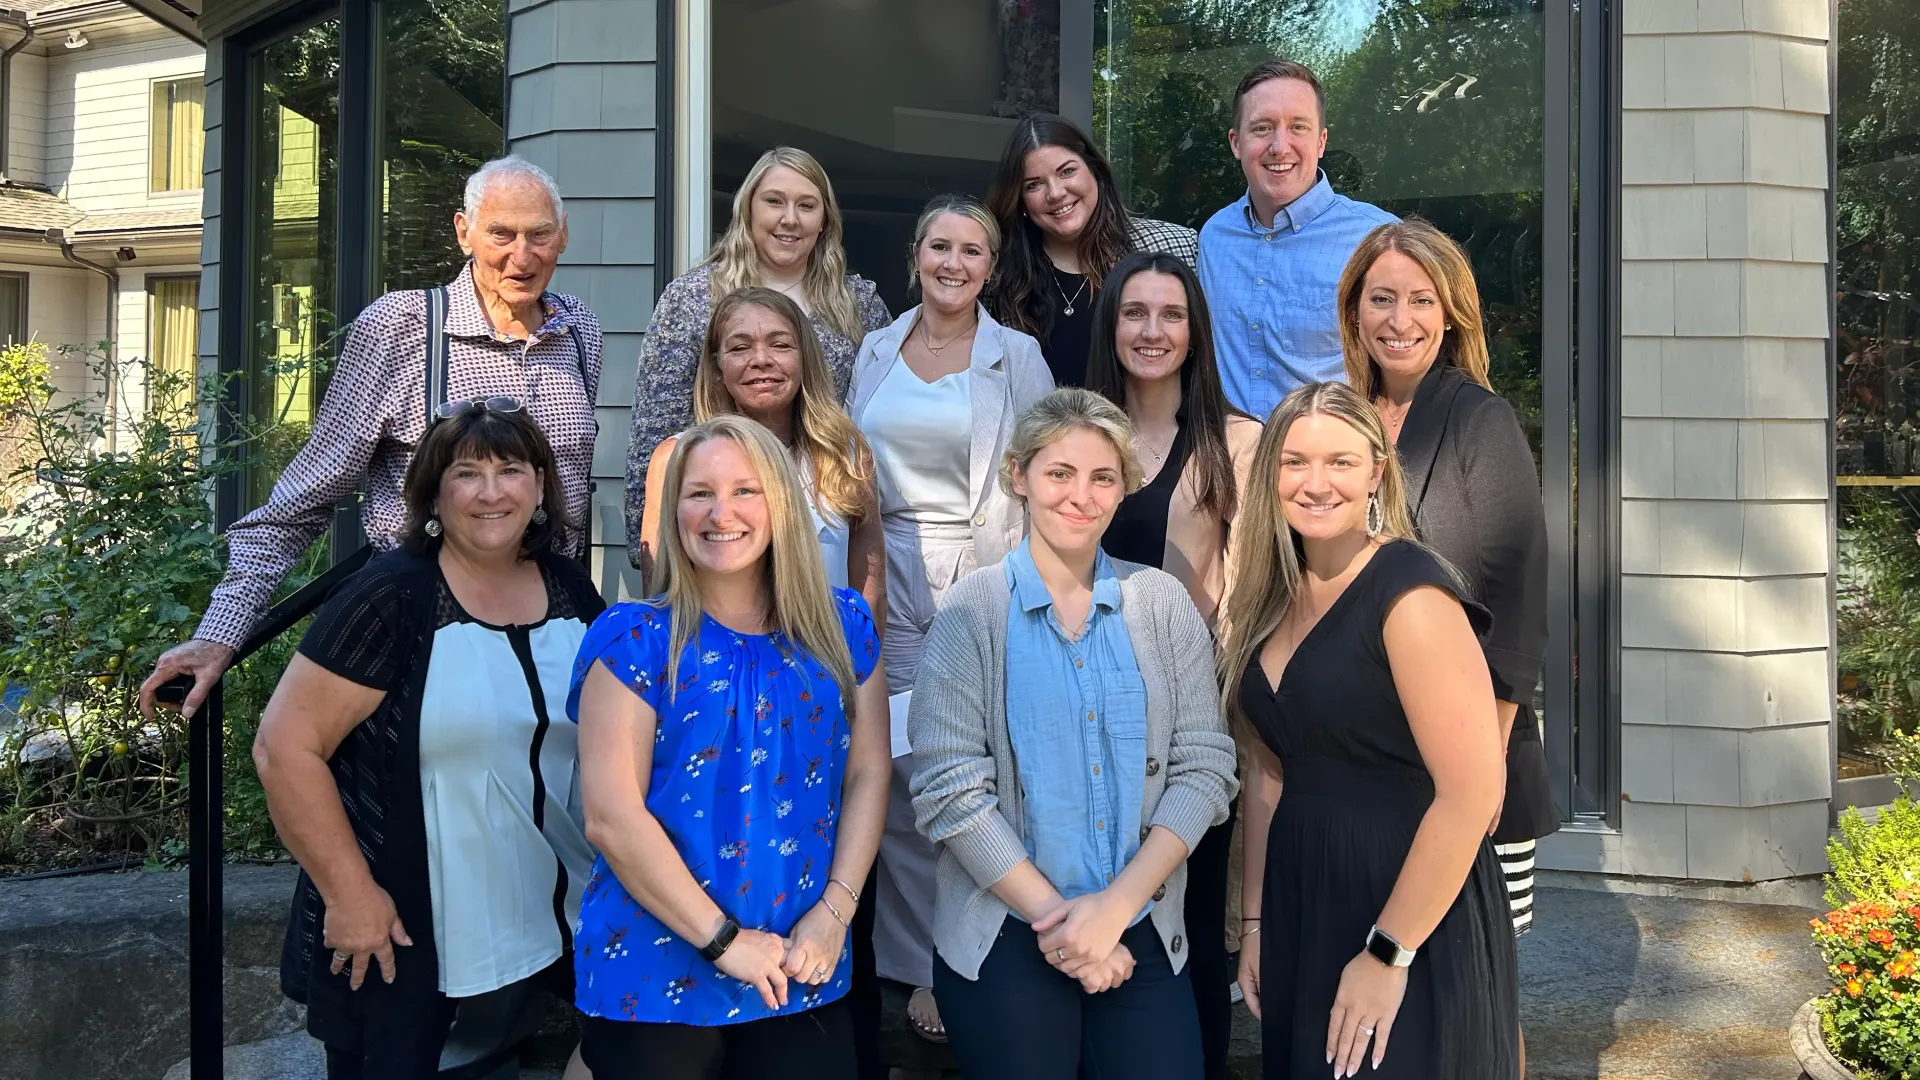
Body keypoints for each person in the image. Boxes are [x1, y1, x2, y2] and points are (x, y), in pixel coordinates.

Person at [141, 155, 603, 720]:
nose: (521, 255)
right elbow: (304, 497)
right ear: (464, 232)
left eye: (539, 235)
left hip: (551, 624)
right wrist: (221, 632)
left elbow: (567, 490)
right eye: (500, 233)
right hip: (429, 624)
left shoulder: (577, 329)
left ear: (563, 237)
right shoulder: (402, 327)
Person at [251, 402, 604, 1079]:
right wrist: (351, 895)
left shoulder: (568, 590)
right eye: (467, 473)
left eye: (510, 470)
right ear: (435, 494)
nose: (491, 491)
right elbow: (284, 747)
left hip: (546, 920)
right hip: (405, 926)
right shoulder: (391, 596)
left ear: (539, 487)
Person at [906, 387, 1238, 1080]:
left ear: (1124, 490)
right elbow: (949, 791)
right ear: (1020, 476)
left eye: (1102, 477)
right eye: (1060, 473)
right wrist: (1064, 924)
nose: (1080, 496)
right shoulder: (973, 611)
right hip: (1006, 932)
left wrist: (1113, 912)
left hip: (1138, 930)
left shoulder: (1162, 604)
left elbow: (1205, 767)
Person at [567, 414, 891, 1079]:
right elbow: (612, 817)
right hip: (654, 977)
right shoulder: (634, 639)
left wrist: (836, 914)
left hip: (803, 963)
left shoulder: (843, 626)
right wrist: (724, 941)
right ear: (674, 509)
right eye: (699, 493)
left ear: (781, 504)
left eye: (746, 491)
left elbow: (868, 773)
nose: (722, 513)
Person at [1221, 381, 1519, 1080]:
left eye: (1340, 462)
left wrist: (1389, 952)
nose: (1315, 483)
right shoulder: (1271, 595)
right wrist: (1257, 923)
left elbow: (1472, 794)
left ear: (1376, 473)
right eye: (1294, 462)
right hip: (1302, 897)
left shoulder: (1410, 594)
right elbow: (1269, 773)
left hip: (1406, 901)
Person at [1336, 219, 1553, 1072]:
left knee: (1481, 995)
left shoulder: (1477, 418)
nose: (1400, 318)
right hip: (1380, 765)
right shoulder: (1348, 420)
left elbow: (1518, 599)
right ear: (1355, 312)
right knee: (1405, 986)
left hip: (1475, 763)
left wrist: (1485, 760)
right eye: (1381, 298)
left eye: (1420, 299)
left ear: (1452, 312)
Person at [845, 193, 1055, 1043]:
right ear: (917, 253)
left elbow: (1043, 472)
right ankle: (913, 964)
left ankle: (971, 952)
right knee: (891, 769)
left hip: (985, 575)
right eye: (941, 246)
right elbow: (847, 470)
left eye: (973, 251)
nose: (955, 264)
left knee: (976, 767)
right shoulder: (873, 349)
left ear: (990, 265)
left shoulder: (1020, 355)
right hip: (883, 574)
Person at [1083, 250, 1259, 1080]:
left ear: (1195, 332)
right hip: (1077, 719)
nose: (1152, 331)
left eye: (1171, 315)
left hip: (1185, 723)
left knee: (1184, 923)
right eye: (1135, 313)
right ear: (1111, 325)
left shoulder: (1239, 442)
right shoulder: (1075, 432)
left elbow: (1251, 593)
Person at [627, 146, 893, 555]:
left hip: (823, 517)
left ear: (824, 221)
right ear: (748, 209)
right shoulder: (693, 298)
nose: (790, 218)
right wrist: (647, 545)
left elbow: (878, 417)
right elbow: (655, 428)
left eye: (806, 205)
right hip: (721, 517)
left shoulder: (857, 304)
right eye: (774, 202)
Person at [637, 286, 885, 624]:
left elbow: (869, 588)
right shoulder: (676, 459)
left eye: (780, 345)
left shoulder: (846, 455)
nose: (761, 360)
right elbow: (659, 594)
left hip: (824, 666)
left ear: (805, 356)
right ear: (717, 364)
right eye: (740, 347)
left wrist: (859, 672)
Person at [1197, 60, 1396, 420]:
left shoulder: (1377, 241)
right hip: (1230, 466)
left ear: (1321, 142)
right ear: (1235, 143)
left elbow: (1412, 373)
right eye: (1262, 128)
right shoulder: (1215, 238)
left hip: (1330, 467)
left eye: (1298, 127)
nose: (1279, 145)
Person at [986, 114, 1198, 389]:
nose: (1056, 193)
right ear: (1021, 199)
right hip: (1038, 431)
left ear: (1095, 170)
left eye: (1067, 172)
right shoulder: (1000, 275)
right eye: (1034, 184)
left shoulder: (1174, 246)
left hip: (1148, 431)